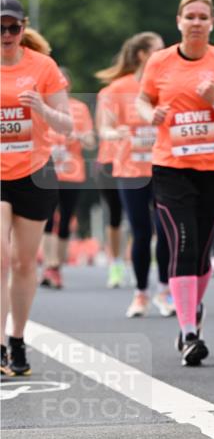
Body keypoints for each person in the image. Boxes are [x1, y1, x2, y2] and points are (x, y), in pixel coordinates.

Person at [137, 0, 214, 366]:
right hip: (171, 169)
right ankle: (188, 333)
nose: (196, 22)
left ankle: (190, 310)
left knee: (201, 251)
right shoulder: (160, 62)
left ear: (211, 22)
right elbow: (142, 98)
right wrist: (149, 113)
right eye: (190, 16)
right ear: (179, 21)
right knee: (182, 242)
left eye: (203, 16)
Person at [0, 0, 72, 376]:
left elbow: (67, 125)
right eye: (1, 28)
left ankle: (17, 339)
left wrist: (42, 109)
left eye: (13, 27)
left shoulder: (42, 67)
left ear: (23, 28)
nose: (7, 35)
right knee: (0, 259)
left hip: (34, 173)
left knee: (24, 263)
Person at [97, 32, 175, 318]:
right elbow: (103, 128)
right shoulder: (115, 90)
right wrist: (114, 133)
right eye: (158, 50)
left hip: (164, 167)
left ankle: (164, 291)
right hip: (130, 170)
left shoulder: (167, 86)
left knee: (165, 229)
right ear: (142, 54)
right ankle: (141, 294)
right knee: (140, 231)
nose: (164, 54)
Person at [42, 68, 96, 288]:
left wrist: (80, 136)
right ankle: (49, 264)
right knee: (45, 220)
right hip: (45, 172)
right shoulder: (42, 107)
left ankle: (56, 267)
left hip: (72, 173)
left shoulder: (79, 109)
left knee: (65, 220)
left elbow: (91, 142)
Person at [94, 82, 125, 287]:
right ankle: (116, 264)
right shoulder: (108, 93)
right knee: (115, 216)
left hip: (143, 163)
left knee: (143, 216)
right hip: (110, 161)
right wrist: (115, 133)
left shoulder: (150, 88)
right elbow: (101, 128)